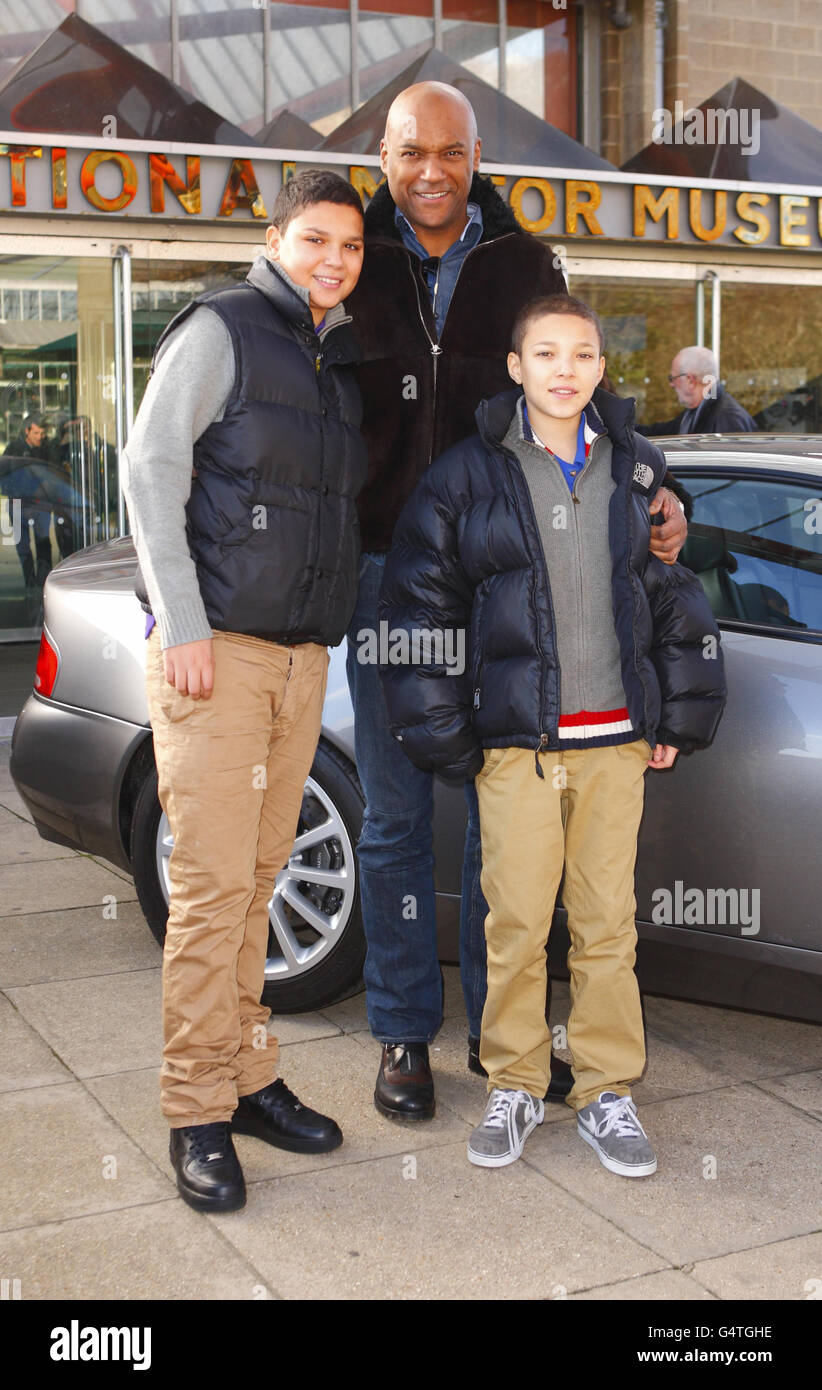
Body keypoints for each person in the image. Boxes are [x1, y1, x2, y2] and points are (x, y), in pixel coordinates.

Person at [344, 80, 689, 1123]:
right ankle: (405, 1033)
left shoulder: (525, 262)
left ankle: (512, 1042)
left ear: (478, 153)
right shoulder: (350, 256)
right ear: (386, 155)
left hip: (510, 580)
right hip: (384, 581)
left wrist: (659, 487)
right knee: (397, 819)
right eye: (413, 153)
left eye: (452, 151)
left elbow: (580, 380)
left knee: (506, 829)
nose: (433, 172)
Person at [378, 295, 726, 1175]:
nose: (564, 369)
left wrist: (677, 715)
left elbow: (673, 597)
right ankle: (517, 1084)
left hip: (614, 746)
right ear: (515, 366)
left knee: (609, 926)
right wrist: (447, 730)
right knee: (518, 923)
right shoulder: (467, 475)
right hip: (519, 748)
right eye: (546, 353)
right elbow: (420, 602)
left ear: (602, 369)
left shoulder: (639, 471)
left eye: (581, 354)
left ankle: (608, 1091)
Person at [121, 170, 368, 1214]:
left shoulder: (329, 357)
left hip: (301, 659)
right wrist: (180, 621)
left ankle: (249, 1074)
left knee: (259, 888)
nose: (334, 260)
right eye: (316, 239)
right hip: (217, 655)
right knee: (217, 891)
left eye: (351, 247)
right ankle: (194, 1110)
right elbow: (149, 467)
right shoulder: (223, 328)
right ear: (274, 237)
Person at [639, 345, 756, 434]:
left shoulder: (727, 419)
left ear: (690, 380)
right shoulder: (698, 412)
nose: (671, 384)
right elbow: (661, 433)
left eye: (672, 378)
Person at [2, 414, 53, 593]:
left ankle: (44, 582)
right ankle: (30, 583)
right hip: (18, 503)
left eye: (42, 433)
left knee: (43, 543)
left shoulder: (46, 449)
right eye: (36, 433)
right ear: (27, 431)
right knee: (23, 546)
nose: (40, 437)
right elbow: (3, 477)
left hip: (40, 504)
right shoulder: (13, 449)